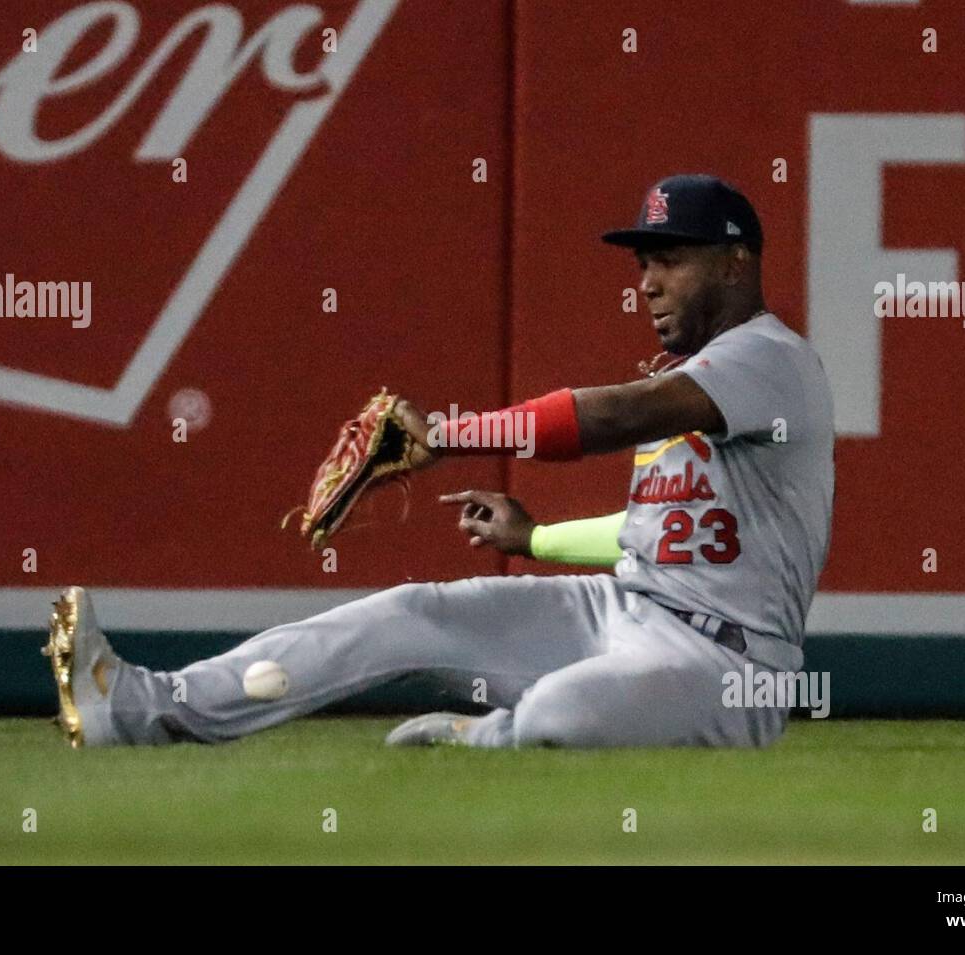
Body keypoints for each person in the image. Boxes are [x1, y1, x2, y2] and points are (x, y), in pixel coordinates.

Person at [43, 174, 835, 749]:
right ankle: (150, 705)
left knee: (562, 712)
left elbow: (617, 415)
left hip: (729, 664)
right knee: (408, 611)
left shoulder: (770, 359)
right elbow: (655, 531)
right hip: (625, 609)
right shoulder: (700, 376)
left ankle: (499, 738)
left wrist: (448, 434)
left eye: (672, 258)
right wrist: (540, 541)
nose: (649, 282)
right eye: (642, 262)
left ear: (737, 263)